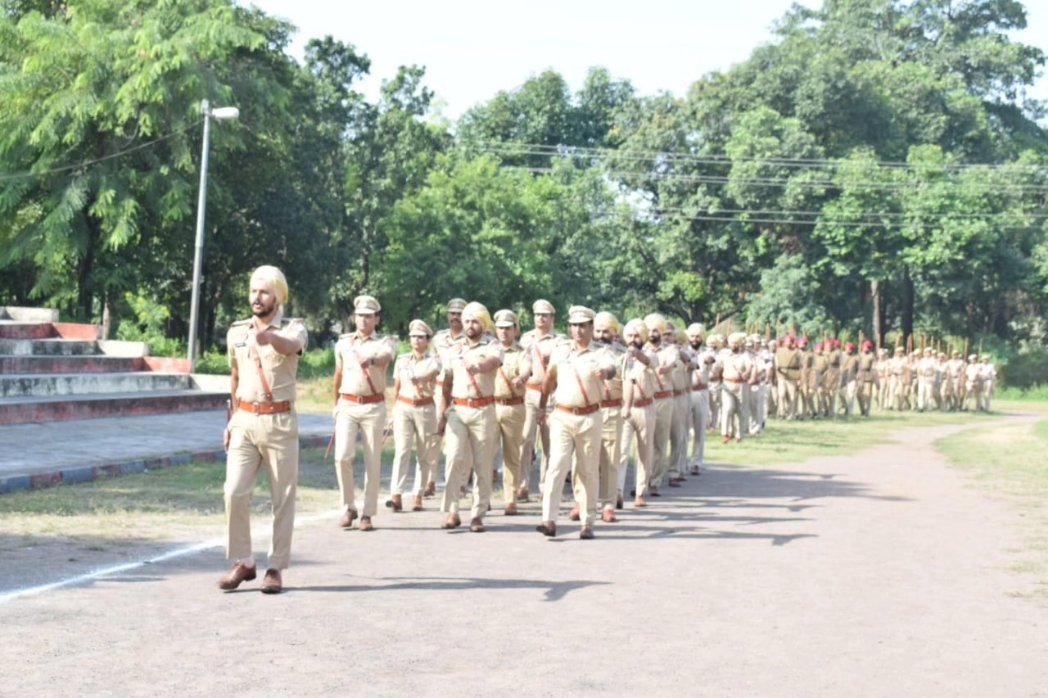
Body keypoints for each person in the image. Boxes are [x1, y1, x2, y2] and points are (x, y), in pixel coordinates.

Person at [219, 265, 307, 594]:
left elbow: (288, 346)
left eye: (264, 292)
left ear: (278, 296)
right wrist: (231, 419)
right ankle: (243, 561)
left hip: (279, 421)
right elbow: (235, 377)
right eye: (254, 291)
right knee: (234, 491)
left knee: (282, 498)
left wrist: (269, 337)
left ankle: (275, 567)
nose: (257, 297)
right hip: (244, 420)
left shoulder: (294, 329)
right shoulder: (237, 332)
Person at [535, 306, 616, 539]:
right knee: (557, 466)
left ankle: (587, 521)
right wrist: (542, 407)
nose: (578, 330)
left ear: (591, 327)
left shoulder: (601, 353)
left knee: (588, 469)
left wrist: (606, 373)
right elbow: (549, 380)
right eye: (574, 325)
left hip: (590, 416)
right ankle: (549, 519)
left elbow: (611, 369)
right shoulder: (561, 352)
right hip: (562, 415)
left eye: (583, 325)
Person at [437, 301, 503, 532]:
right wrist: (442, 415)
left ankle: (478, 514)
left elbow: (494, 361)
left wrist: (479, 365)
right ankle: (453, 510)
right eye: (467, 321)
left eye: (475, 321)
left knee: (483, 464)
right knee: (453, 459)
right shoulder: (453, 350)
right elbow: (445, 383)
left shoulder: (493, 345)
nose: (470, 325)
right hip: (457, 409)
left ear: (484, 325)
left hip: (483, 409)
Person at [332, 295, 396, 532]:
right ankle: (348, 506)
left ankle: (368, 513)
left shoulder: (385, 342)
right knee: (342, 456)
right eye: (360, 315)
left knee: (372, 460)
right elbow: (337, 375)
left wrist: (370, 359)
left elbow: (386, 358)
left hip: (373, 406)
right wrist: (335, 404)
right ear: (354, 317)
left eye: (369, 316)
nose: (364, 320)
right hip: (347, 404)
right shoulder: (343, 343)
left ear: (376, 319)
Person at [388, 319, 441, 513]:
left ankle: (418, 494)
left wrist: (420, 378)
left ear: (427, 340)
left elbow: (431, 374)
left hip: (425, 408)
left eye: (420, 337)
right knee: (402, 450)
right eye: (413, 337)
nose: (416, 340)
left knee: (424, 453)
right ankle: (396, 494)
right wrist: (393, 411)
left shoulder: (433, 360)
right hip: (404, 406)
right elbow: (397, 386)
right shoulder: (402, 360)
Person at [519, 299, 561, 501]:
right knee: (525, 439)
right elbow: (523, 364)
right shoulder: (526, 339)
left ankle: (545, 485)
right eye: (537, 315)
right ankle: (523, 485)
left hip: (551, 394)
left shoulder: (559, 341)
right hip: (530, 392)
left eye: (545, 315)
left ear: (552, 318)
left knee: (549, 442)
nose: (540, 318)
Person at [492, 309, 529, 516]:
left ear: (515, 330)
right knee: (485, 453)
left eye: (508, 328)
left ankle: (510, 498)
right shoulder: (489, 350)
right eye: (500, 328)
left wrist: (522, 378)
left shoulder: (522, 352)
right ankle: (483, 497)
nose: (504, 332)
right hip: (490, 405)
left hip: (514, 406)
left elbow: (527, 368)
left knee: (512, 454)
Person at [618, 319, 657, 507]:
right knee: (621, 452)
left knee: (644, 452)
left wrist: (637, 354)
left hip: (645, 408)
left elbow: (649, 362)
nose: (633, 340)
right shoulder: (621, 355)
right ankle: (617, 491)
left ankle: (640, 491)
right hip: (625, 409)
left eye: (637, 336)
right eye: (630, 336)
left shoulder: (651, 354)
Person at [686, 323, 712, 475]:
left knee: (699, 428)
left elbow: (710, 360)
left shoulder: (706, 353)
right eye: (692, 336)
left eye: (698, 336)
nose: (695, 339)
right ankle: (681, 462)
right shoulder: (683, 352)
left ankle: (696, 461)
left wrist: (706, 360)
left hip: (701, 392)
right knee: (683, 430)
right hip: (685, 392)